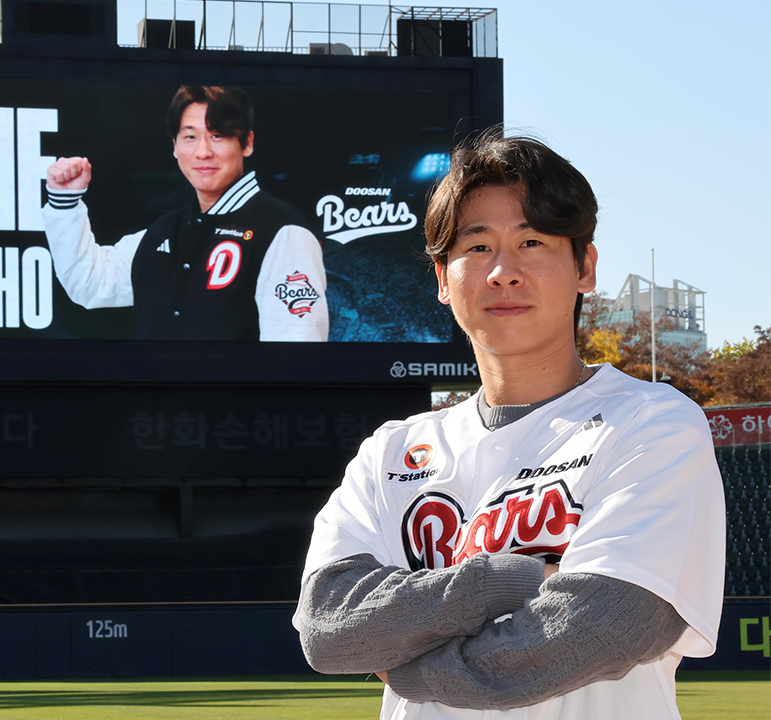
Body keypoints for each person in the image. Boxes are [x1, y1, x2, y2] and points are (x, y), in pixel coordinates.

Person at [293, 131, 725, 718]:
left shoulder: (652, 423)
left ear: (585, 267)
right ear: (442, 279)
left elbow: (607, 623)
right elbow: (328, 627)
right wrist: (515, 580)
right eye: (477, 247)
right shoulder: (390, 452)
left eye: (532, 241)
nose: (503, 271)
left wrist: (411, 667)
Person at [41, 85, 328, 341]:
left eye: (217, 135)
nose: (203, 152)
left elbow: (295, 354)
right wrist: (64, 202)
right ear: (175, 147)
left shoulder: (282, 232)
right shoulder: (164, 231)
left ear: (247, 143)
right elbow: (90, 283)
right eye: (190, 136)